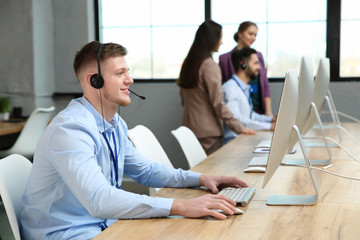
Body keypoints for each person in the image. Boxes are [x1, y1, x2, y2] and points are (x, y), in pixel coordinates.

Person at [20, 41, 251, 240]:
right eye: (120, 73)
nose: (129, 79)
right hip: (67, 233)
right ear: (95, 81)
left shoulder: (115, 124)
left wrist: (201, 178)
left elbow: (146, 171)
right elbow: (99, 199)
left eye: (127, 71)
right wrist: (180, 205)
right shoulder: (70, 130)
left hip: (104, 225)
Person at [177, 20, 255, 155]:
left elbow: (184, 100)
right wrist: (239, 127)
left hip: (189, 130)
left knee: (197, 171)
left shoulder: (188, 64)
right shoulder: (209, 65)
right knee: (212, 173)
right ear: (212, 39)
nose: (221, 42)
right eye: (220, 38)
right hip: (209, 133)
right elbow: (218, 103)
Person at [219, 21, 273, 117]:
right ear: (240, 34)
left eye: (255, 35)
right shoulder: (225, 59)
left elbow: (265, 85)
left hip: (258, 111)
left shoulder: (258, 56)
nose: (253, 38)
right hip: (238, 111)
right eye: (250, 34)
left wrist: (268, 112)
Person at [222, 48, 276, 144]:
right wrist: (269, 126)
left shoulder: (243, 88)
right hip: (234, 143)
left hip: (245, 140)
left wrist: (270, 120)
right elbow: (237, 119)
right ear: (243, 64)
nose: (259, 67)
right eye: (255, 63)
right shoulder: (230, 88)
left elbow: (250, 115)